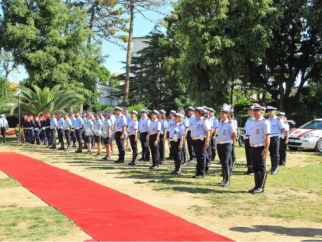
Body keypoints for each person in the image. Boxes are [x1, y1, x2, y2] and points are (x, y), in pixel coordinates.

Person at [248, 103, 270, 194]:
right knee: (255, 167)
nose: (254, 112)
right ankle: (256, 185)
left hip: (260, 147)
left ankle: (261, 187)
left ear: (261, 112)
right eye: (254, 111)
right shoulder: (253, 122)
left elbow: (267, 137)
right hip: (252, 147)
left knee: (262, 167)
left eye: (256, 111)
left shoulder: (264, 122)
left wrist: (265, 149)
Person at [217, 104, 237, 187]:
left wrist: (231, 141)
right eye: (221, 113)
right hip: (220, 144)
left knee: (226, 162)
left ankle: (228, 179)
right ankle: (224, 178)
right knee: (222, 162)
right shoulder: (220, 123)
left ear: (227, 114)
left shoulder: (230, 123)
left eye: (223, 113)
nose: (221, 115)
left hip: (227, 144)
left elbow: (234, 134)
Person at [190, 107, 211, 179]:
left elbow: (208, 131)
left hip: (201, 140)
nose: (195, 113)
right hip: (195, 140)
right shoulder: (195, 120)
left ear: (200, 112)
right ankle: (198, 171)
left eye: (196, 112)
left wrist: (207, 141)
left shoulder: (204, 120)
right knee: (198, 157)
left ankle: (202, 172)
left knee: (202, 157)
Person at [266, 106, 284, 175]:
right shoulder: (267, 120)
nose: (269, 113)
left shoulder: (278, 119)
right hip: (269, 137)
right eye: (268, 111)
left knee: (276, 153)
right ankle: (272, 167)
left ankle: (275, 168)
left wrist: (278, 134)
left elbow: (282, 129)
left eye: (271, 111)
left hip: (275, 136)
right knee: (271, 153)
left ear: (274, 112)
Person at [244, 106, 255, 175]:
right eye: (248, 110)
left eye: (250, 110)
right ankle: (249, 168)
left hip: (252, 138)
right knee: (247, 154)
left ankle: (253, 169)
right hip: (247, 138)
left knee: (252, 154)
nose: (248, 112)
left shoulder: (255, 120)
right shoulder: (248, 120)